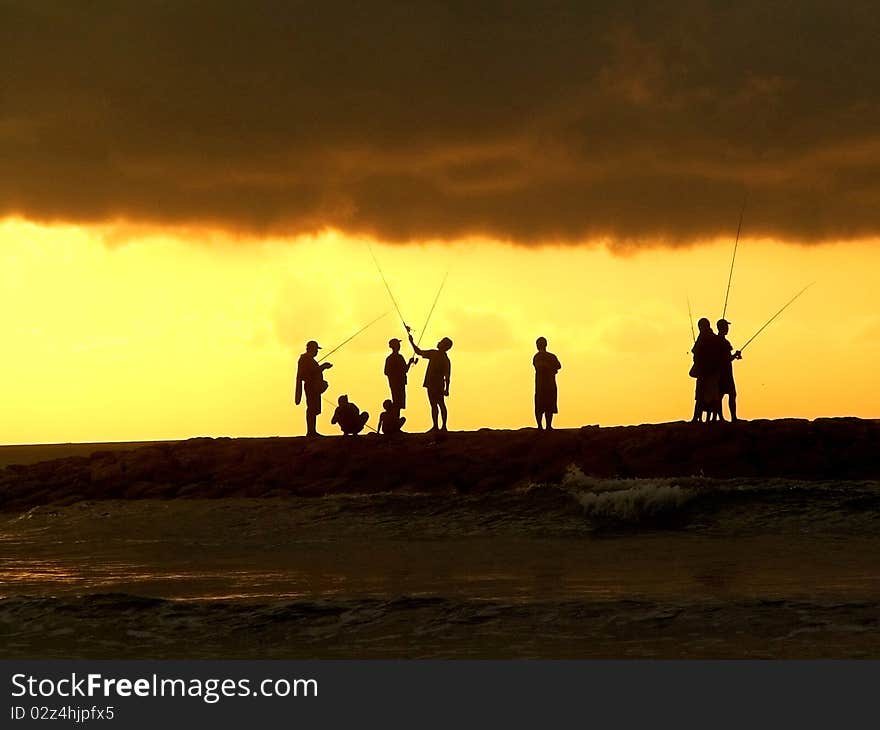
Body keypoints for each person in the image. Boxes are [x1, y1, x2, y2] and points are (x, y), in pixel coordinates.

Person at [408, 332, 452, 431]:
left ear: (444, 346)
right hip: (432, 384)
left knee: (439, 404)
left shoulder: (441, 357)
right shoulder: (437, 355)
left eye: (441, 342)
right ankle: (436, 426)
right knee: (435, 405)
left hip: (436, 384)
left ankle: (442, 426)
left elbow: (447, 376)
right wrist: (411, 342)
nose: (439, 342)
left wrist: (447, 388)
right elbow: (419, 352)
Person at [295, 340, 332, 436]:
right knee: (311, 408)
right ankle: (311, 431)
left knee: (314, 409)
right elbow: (308, 373)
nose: (317, 352)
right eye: (316, 349)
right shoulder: (305, 359)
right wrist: (323, 367)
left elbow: (313, 371)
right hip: (311, 387)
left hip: (314, 387)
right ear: (312, 349)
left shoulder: (310, 360)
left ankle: (312, 431)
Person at [690, 318, 722, 423]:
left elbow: (694, 350)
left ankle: (697, 418)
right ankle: (710, 418)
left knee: (701, 395)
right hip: (711, 371)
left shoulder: (703, 337)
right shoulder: (713, 337)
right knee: (710, 396)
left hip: (705, 372)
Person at [533, 337, 562, 430]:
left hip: (547, 385)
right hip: (543, 385)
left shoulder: (548, 356)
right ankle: (541, 426)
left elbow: (559, 366)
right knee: (541, 406)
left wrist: (549, 368)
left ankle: (547, 426)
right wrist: (551, 368)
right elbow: (540, 366)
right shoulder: (538, 357)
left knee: (547, 406)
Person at [716, 319, 742, 422]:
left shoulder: (718, 341)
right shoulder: (723, 342)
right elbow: (725, 359)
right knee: (731, 394)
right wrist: (735, 355)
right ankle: (733, 418)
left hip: (722, 372)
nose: (727, 329)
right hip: (725, 373)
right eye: (726, 327)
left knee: (721, 395)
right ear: (721, 328)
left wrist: (734, 356)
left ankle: (722, 418)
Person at [384, 338, 411, 409]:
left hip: (393, 384)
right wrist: (410, 362)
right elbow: (405, 370)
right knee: (398, 403)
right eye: (398, 344)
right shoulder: (399, 357)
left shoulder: (389, 358)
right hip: (399, 384)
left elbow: (386, 372)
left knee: (396, 402)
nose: (399, 346)